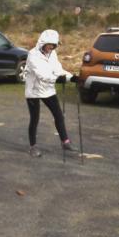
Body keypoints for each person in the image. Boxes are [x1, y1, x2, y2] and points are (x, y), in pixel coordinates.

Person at [24, 29, 78, 157]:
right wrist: (57, 79)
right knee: (35, 119)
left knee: (59, 115)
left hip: (48, 90)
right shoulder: (33, 55)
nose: (51, 48)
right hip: (34, 91)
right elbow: (41, 74)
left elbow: (58, 69)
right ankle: (33, 147)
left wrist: (71, 77)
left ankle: (65, 142)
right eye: (49, 45)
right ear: (43, 42)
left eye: (54, 45)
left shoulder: (52, 54)